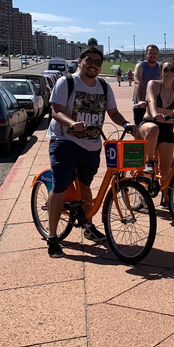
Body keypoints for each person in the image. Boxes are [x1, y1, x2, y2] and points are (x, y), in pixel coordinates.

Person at [45, 47, 136, 258]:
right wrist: (71, 123)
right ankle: (52, 237)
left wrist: (125, 124)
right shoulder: (66, 82)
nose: (94, 64)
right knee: (59, 187)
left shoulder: (103, 86)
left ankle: (88, 225)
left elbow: (112, 112)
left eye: (98, 61)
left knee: (85, 186)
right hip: (64, 141)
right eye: (90, 60)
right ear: (80, 61)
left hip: (92, 145)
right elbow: (56, 111)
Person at [139, 61, 174, 206]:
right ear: (161, 71)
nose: (169, 72)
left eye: (172, 70)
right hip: (150, 123)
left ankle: (166, 198)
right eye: (166, 69)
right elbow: (151, 101)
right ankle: (149, 162)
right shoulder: (153, 84)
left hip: (167, 127)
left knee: (166, 168)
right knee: (153, 130)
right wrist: (156, 114)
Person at [133, 45, 161, 124]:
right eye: (150, 53)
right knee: (140, 131)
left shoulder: (160, 67)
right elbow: (137, 82)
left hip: (155, 103)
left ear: (158, 55)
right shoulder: (141, 66)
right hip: (142, 103)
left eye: (155, 53)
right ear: (146, 54)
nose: (153, 55)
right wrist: (140, 100)